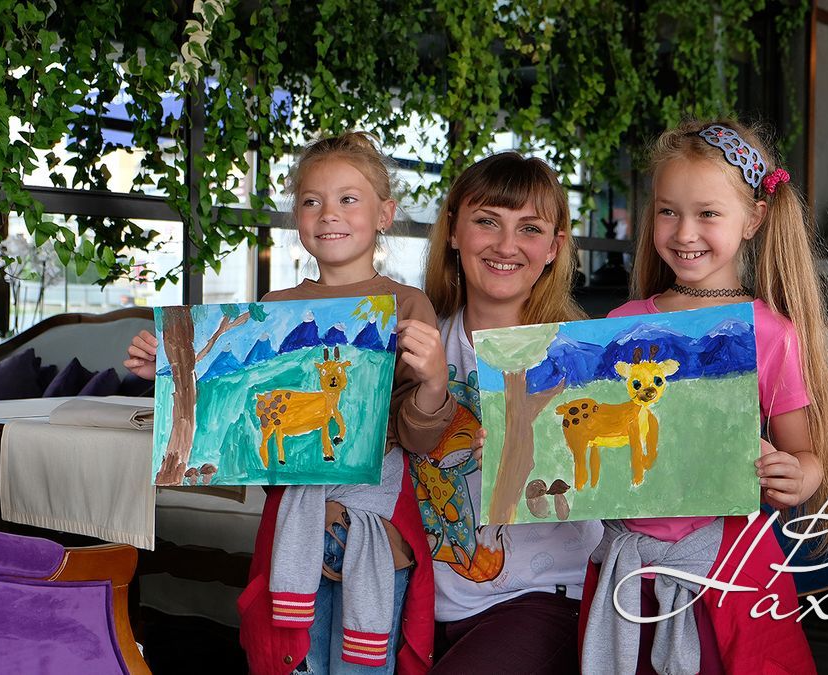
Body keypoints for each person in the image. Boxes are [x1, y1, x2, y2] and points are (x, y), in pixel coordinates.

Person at [124, 132, 453, 675]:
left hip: (377, 532)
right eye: (311, 201)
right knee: (295, 661)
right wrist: (170, 374)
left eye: (349, 199)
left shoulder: (408, 305)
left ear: (385, 214)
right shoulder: (274, 309)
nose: (329, 214)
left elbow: (420, 439)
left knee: (361, 666)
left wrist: (435, 382)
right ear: (296, 217)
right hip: (293, 531)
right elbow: (238, 437)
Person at [579, 119, 828, 674]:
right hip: (625, 569)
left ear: (753, 219)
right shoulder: (620, 323)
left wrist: (797, 477)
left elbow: (806, 454)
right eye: (668, 211)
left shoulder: (770, 332)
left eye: (707, 213)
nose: (684, 232)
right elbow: (593, 435)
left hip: (728, 571)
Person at [411, 152, 603, 674]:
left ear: (554, 248)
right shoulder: (415, 345)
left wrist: (535, 454)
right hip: (423, 603)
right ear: (453, 230)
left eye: (530, 229)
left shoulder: (583, 359)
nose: (505, 245)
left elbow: (627, 489)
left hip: (546, 597)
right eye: (487, 221)